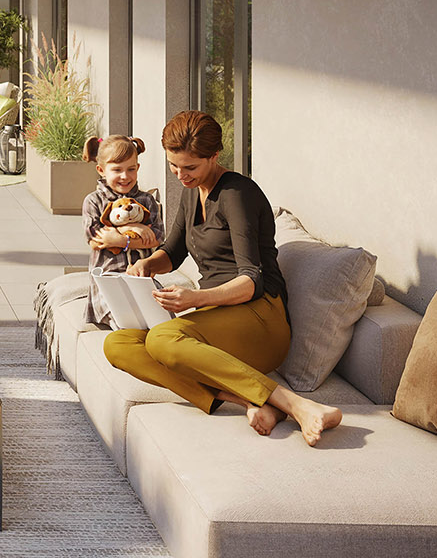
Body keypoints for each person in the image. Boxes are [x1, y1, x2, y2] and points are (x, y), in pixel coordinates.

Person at [103, 110, 342, 446]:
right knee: (118, 345)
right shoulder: (192, 190)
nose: (180, 175)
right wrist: (147, 265)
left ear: (214, 157)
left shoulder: (237, 194)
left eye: (190, 167)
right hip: (217, 318)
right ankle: (251, 400)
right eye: (174, 166)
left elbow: (251, 281)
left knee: (162, 340)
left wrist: (194, 299)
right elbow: (172, 251)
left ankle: (297, 405)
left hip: (260, 320)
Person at [81, 135, 163, 328]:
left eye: (131, 169)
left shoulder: (147, 201)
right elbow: (96, 239)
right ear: (101, 170)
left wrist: (118, 239)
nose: (125, 176)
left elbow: (157, 238)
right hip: (108, 280)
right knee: (126, 322)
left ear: (138, 168)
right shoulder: (94, 201)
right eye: (117, 170)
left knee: (161, 318)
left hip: (141, 277)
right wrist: (133, 228)